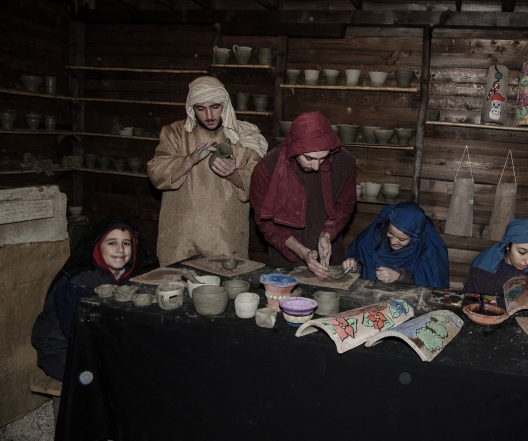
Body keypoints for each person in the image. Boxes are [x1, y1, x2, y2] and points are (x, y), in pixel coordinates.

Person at [147, 76, 267, 266]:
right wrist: (189, 160)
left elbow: (262, 184)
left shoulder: (245, 138)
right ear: (191, 109)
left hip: (226, 237)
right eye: (201, 108)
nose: (209, 115)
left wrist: (233, 174)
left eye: (215, 107)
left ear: (225, 105)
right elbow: (156, 172)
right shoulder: (175, 133)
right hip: (180, 239)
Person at [31, 217, 159, 381]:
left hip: (99, 344)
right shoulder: (76, 285)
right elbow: (77, 332)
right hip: (64, 351)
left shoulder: (124, 279)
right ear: (98, 247)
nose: (120, 249)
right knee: (123, 378)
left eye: (126, 243)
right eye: (112, 243)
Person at [250, 111, 356, 279]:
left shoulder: (345, 163)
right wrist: (301, 251)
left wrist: (327, 234)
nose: (316, 166)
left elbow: (345, 205)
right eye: (309, 158)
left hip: (328, 254)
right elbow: (267, 224)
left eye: (323, 159)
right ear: (294, 148)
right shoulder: (267, 168)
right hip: (285, 259)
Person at [342, 201, 449, 288]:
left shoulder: (427, 253)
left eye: (401, 239)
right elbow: (361, 260)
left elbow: (428, 289)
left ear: (414, 239)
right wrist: (354, 266)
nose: (393, 241)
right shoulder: (372, 237)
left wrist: (400, 277)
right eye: (390, 233)